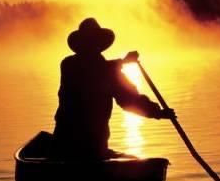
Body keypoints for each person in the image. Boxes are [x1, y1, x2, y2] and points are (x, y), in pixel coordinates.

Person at [52, 17, 175, 159]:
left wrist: (158, 112)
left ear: (98, 45)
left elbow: (130, 100)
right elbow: (92, 71)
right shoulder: (69, 65)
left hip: (95, 147)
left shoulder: (109, 72)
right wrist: (123, 62)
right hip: (65, 145)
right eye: (88, 42)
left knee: (133, 162)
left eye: (93, 42)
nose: (90, 46)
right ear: (81, 45)